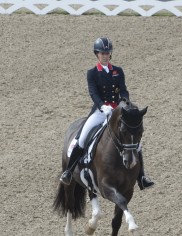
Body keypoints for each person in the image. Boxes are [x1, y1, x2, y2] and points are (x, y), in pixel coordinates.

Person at [60, 37, 154, 190]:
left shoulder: (118, 71)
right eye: (102, 53)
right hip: (99, 111)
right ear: (97, 54)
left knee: (136, 142)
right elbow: (93, 92)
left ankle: (142, 177)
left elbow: (123, 89)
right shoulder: (92, 73)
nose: (105, 55)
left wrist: (124, 102)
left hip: (117, 111)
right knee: (82, 138)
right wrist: (102, 106)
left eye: (107, 53)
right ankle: (69, 172)